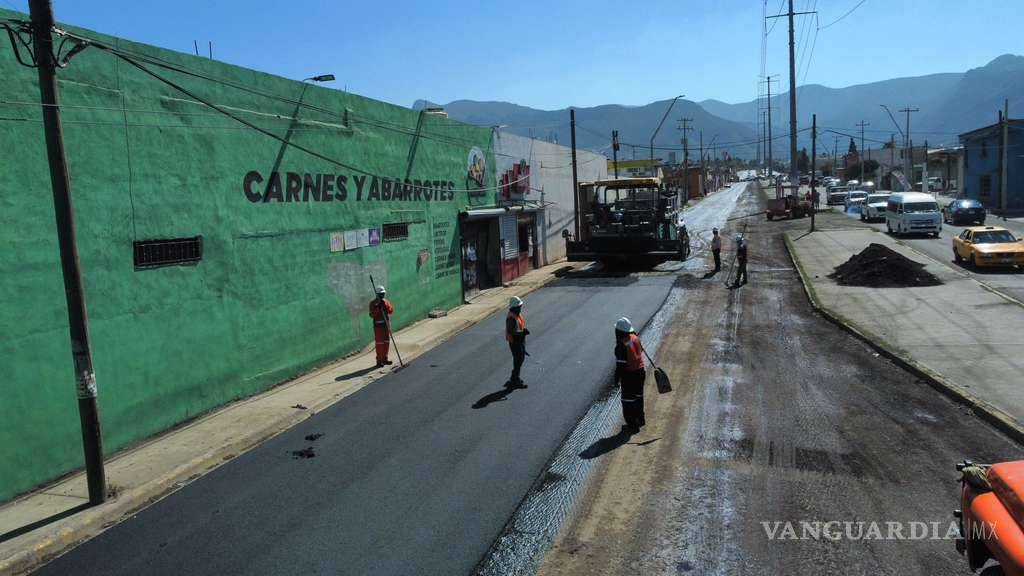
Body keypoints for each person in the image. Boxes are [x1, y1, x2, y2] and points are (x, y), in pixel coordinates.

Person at [614, 317, 646, 433]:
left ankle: (632, 427)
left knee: (628, 401)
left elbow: (620, 367)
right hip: (641, 372)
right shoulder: (635, 338)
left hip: (630, 376)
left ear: (619, 331)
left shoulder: (621, 345)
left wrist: (616, 380)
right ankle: (640, 420)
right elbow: (640, 351)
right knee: (638, 398)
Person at [505, 296, 529, 388]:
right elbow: (511, 331)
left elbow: (518, 326)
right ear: (514, 307)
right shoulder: (512, 318)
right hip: (515, 342)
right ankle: (515, 380)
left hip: (519, 341)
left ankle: (514, 378)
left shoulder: (516, 314)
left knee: (520, 360)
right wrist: (522, 333)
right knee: (518, 361)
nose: (520, 308)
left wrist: (523, 331)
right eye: (519, 306)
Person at [368, 286, 395, 367]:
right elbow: (372, 315)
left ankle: (385, 359)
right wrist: (378, 308)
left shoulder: (385, 302)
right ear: (377, 294)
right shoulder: (373, 303)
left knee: (386, 342)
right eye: (381, 294)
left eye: (383, 293)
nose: (382, 295)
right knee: (380, 344)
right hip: (378, 327)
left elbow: (391, 311)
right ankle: (379, 361)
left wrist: (385, 306)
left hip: (386, 325)